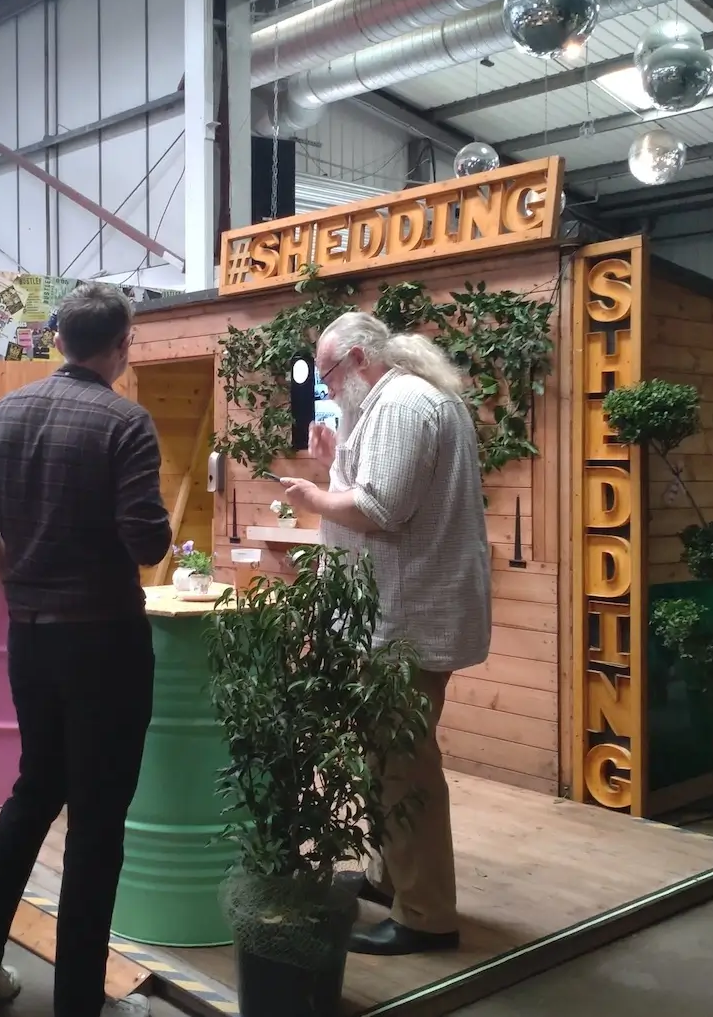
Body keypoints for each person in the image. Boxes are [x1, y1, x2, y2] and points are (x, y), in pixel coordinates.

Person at [0, 281, 169, 1017]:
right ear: (122, 344)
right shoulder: (125, 423)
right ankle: (80, 1002)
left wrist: (17, 583)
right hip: (105, 641)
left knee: (36, 790)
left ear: (58, 338)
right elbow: (147, 539)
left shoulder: (3, 414)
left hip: (30, 639)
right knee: (99, 820)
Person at [280, 310, 490, 957]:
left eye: (327, 373)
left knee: (405, 765)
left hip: (405, 619)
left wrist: (312, 497)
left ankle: (426, 913)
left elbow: (380, 508)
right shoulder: (400, 400)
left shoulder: (401, 404)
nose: (325, 386)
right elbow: (381, 486)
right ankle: (390, 877)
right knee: (388, 756)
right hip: (400, 614)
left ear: (358, 360)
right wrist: (334, 458)